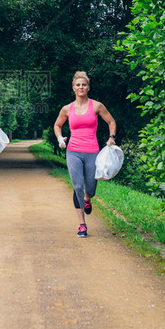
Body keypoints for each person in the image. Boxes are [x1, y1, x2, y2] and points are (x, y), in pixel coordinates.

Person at [53, 71, 117, 237]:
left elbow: (111, 122)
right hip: (73, 151)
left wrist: (111, 138)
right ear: (73, 88)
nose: (81, 87)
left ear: (88, 88)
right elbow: (57, 125)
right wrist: (60, 138)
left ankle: (87, 200)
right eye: (78, 85)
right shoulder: (67, 109)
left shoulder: (97, 106)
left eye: (84, 85)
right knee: (78, 187)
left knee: (90, 189)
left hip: (92, 152)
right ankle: (82, 224)